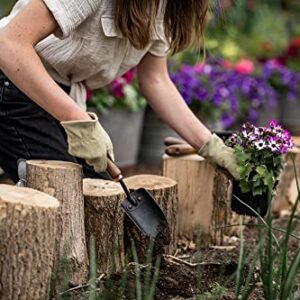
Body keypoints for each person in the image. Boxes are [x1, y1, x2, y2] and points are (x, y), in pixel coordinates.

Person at [0, 0, 239, 183]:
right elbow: (9, 43)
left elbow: (155, 81)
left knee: (105, 200)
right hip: (11, 82)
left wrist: (210, 146)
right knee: (67, 198)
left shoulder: (165, 6)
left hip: (56, 95)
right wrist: (78, 121)